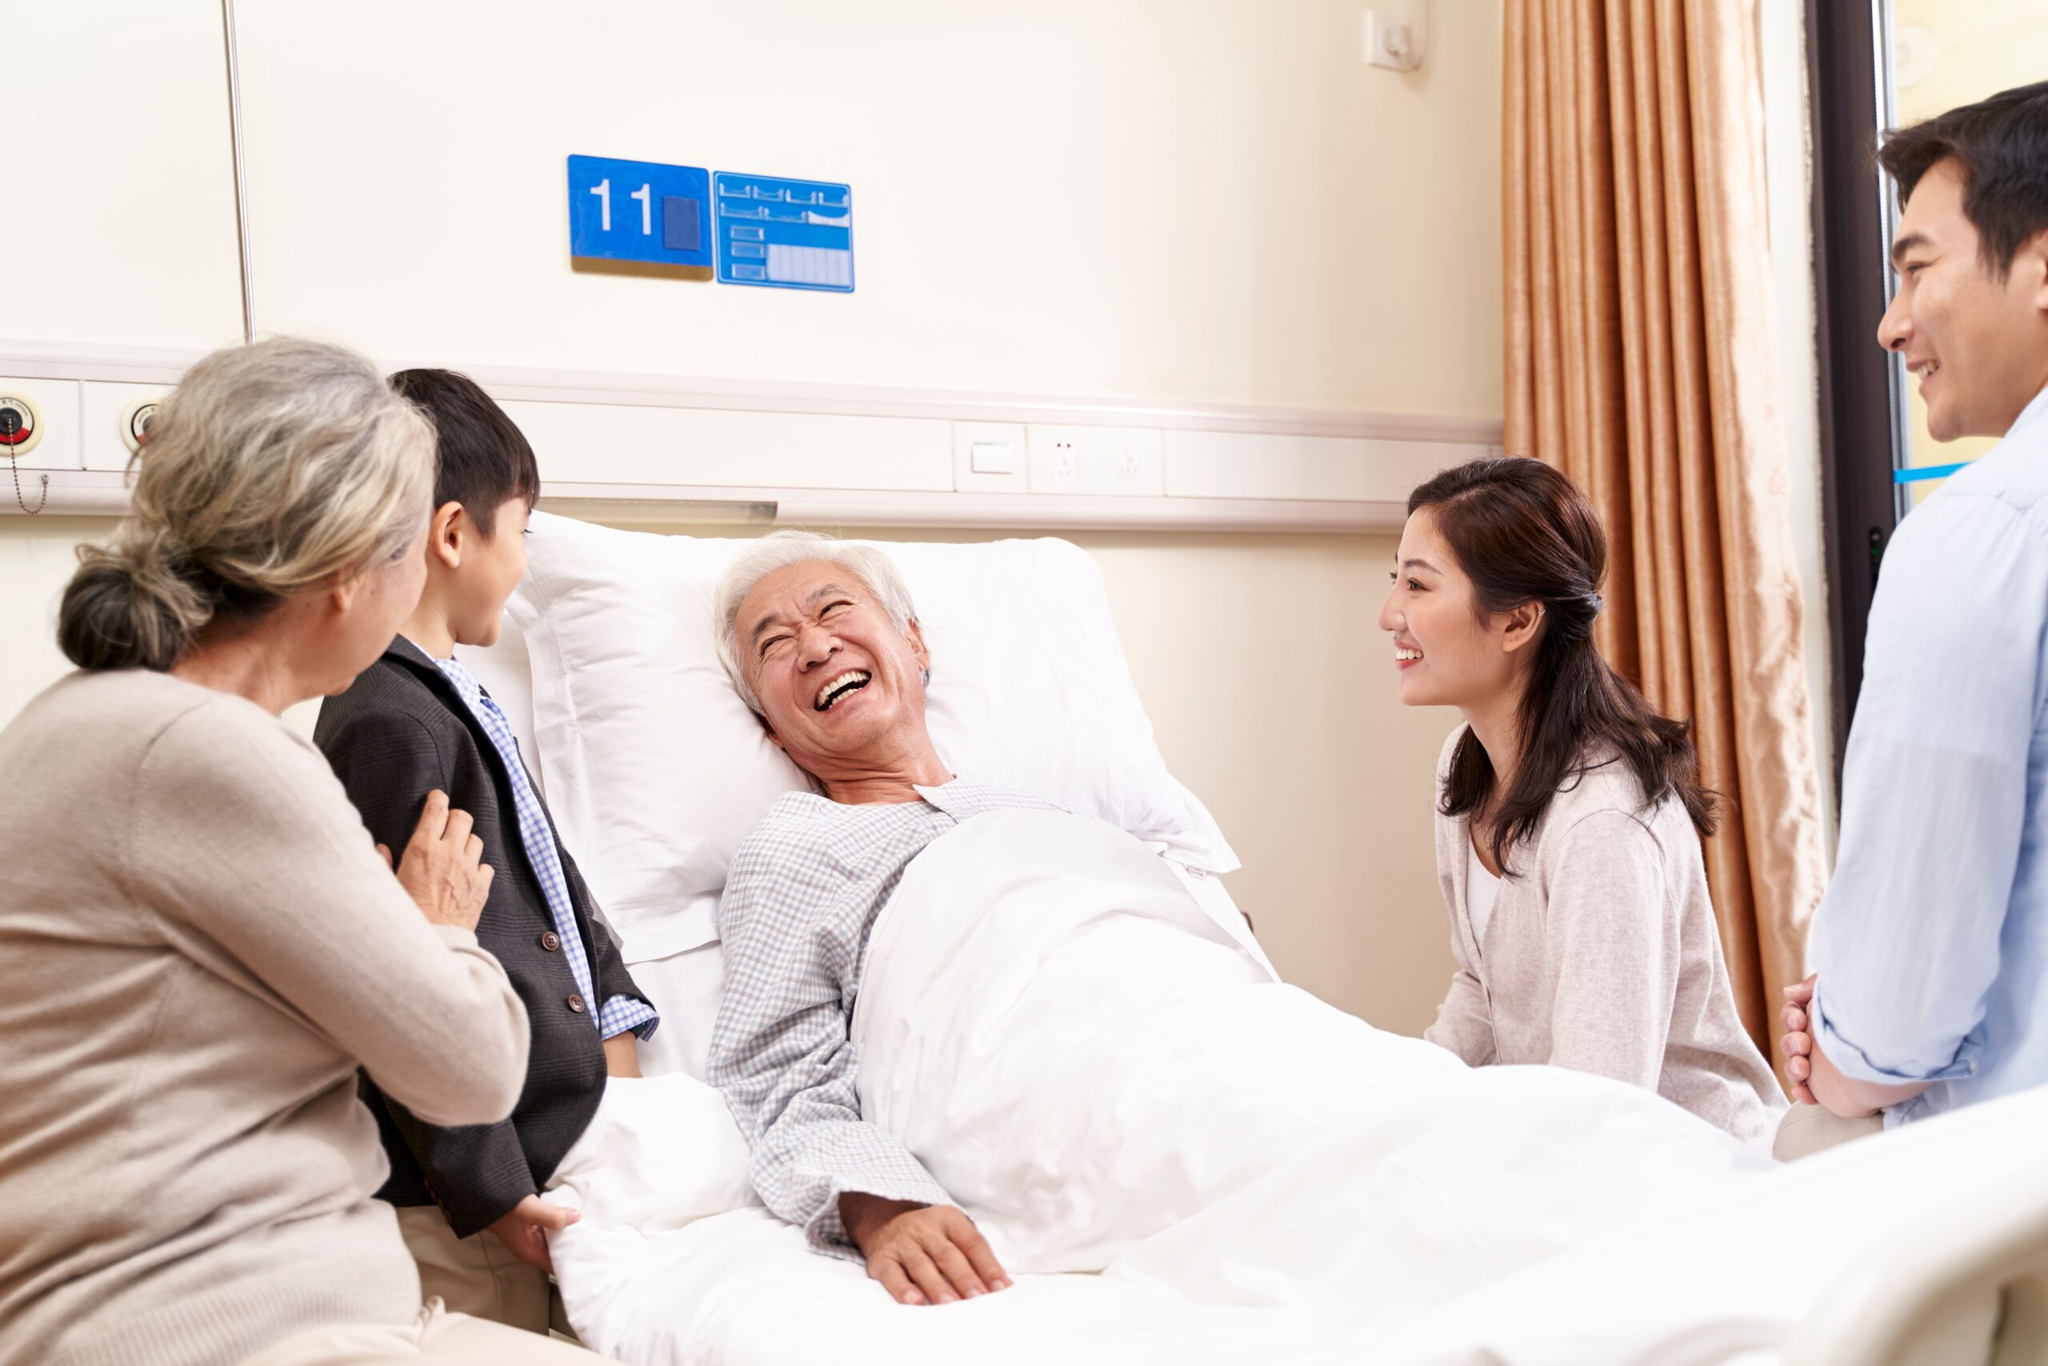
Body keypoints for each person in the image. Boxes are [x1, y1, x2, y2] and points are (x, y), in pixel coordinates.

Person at [0, 336, 617, 1365]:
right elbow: (469, 1070)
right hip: (231, 1327)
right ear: (345, 574)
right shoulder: (212, 754)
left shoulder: (76, 723)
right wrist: (441, 932)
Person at [314, 369, 657, 1332]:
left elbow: (550, 892)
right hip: (459, 1206)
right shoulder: (391, 723)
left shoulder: (449, 700)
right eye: (522, 536)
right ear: (456, 534)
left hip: (540, 1153)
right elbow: (397, 991)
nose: (522, 567)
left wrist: (614, 1040)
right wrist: (491, 1188)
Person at [1781, 81, 2048, 1128]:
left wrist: (1842, 1054)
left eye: (1915, 269)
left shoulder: (1985, 528)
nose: (1890, 325)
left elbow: (1897, 1010)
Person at [1379, 456, 1782, 1147]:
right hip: (1567, 1149)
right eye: (1396, 581)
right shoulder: (1466, 764)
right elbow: (1484, 991)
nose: (1391, 615)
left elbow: (1602, 1102)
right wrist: (1398, 1110)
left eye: (1418, 585)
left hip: (1685, 1171)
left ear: (1518, 621)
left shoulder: (1603, 825)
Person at [706, 532, 1031, 1307]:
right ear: (773, 730)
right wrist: (880, 1204)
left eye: (834, 611)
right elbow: (774, 1077)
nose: (815, 647)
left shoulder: (1041, 815)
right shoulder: (798, 847)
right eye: (776, 645)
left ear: (913, 644)